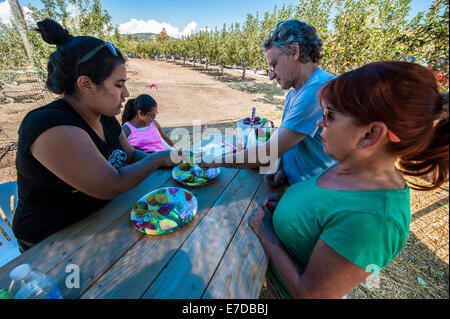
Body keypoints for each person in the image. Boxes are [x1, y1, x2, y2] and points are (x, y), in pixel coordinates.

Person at [248, 61, 449, 298]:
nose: (319, 122)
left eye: (330, 115)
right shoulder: (351, 166)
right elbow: (322, 205)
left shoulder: (373, 220)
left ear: (370, 134)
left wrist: (267, 234)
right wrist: (287, 203)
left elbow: (311, 295)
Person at [13, 19, 175, 253]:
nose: (126, 93)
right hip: (51, 243)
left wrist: (171, 156)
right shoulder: (50, 125)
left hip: (100, 220)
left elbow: (129, 155)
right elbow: (110, 184)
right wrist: (159, 159)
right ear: (86, 84)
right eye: (119, 85)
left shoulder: (105, 117)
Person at [200, 20, 336, 186]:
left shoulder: (317, 90)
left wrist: (213, 160)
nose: (271, 76)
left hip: (311, 198)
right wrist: (284, 169)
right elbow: (290, 143)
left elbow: (268, 152)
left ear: (294, 51)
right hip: (294, 187)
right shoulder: (295, 93)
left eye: (274, 65)